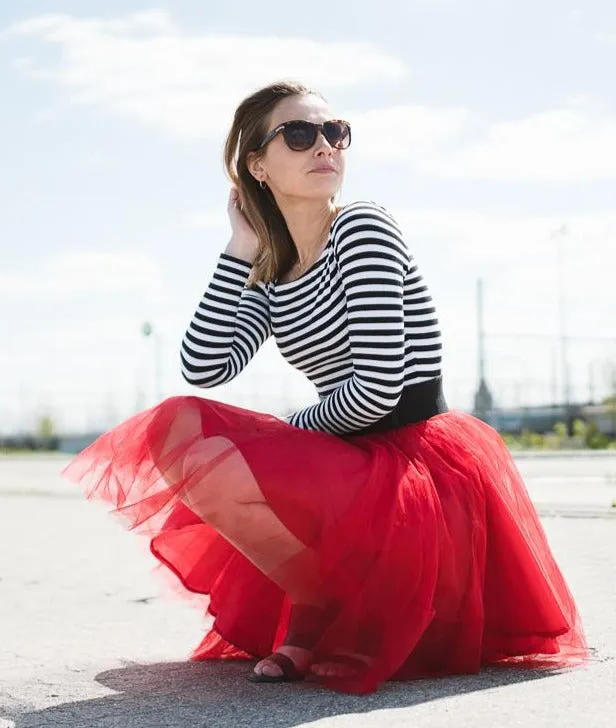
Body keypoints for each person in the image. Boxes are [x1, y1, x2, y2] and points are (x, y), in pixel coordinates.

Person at [64, 80, 587, 695]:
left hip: (417, 462)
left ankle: (329, 619)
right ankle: (326, 606)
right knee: (179, 428)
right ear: (256, 165)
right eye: (300, 133)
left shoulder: (361, 228)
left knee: (231, 451)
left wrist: (287, 436)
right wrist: (240, 248)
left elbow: (377, 391)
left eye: (335, 132)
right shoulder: (273, 264)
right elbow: (205, 367)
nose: (325, 147)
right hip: (351, 454)